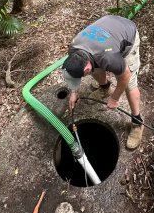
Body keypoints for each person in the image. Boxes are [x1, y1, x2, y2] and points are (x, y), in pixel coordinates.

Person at [62, 15, 144, 150]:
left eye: (82, 75)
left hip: (127, 34)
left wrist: (115, 98)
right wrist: (73, 92)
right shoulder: (74, 48)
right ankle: (105, 87)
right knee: (96, 69)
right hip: (107, 30)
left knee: (130, 84)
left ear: (86, 67)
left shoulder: (107, 57)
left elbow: (125, 76)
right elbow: (73, 73)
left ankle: (137, 122)